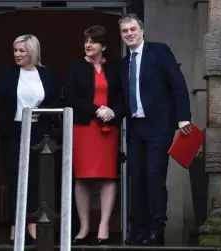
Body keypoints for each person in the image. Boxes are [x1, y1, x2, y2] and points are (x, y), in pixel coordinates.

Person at [118, 14, 191, 246]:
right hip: (136, 127)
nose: (129, 34)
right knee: (137, 178)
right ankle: (138, 230)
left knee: (154, 176)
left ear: (142, 30)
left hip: (159, 126)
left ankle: (156, 230)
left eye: (132, 29)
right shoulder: (124, 64)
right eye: (124, 31)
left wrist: (183, 118)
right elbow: (123, 99)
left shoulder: (159, 52)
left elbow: (177, 84)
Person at [0, 34, 59, 245]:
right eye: (15, 51)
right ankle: (15, 225)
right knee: (15, 179)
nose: (18, 55)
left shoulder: (47, 75)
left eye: (22, 50)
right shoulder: (8, 73)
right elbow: (1, 100)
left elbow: (55, 101)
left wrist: (41, 111)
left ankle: (32, 224)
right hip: (14, 132)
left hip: (39, 132)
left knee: (37, 180)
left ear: (32, 51)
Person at [63, 26, 125, 245]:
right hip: (83, 127)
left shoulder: (115, 68)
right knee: (82, 178)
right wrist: (96, 110)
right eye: (86, 41)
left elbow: (124, 96)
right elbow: (70, 96)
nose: (88, 45)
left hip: (107, 130)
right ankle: (84, 227)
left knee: (108, 177)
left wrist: (113, 111)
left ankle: (104, 226)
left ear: (104, 46)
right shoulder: (75, 67)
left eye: (94, 42)